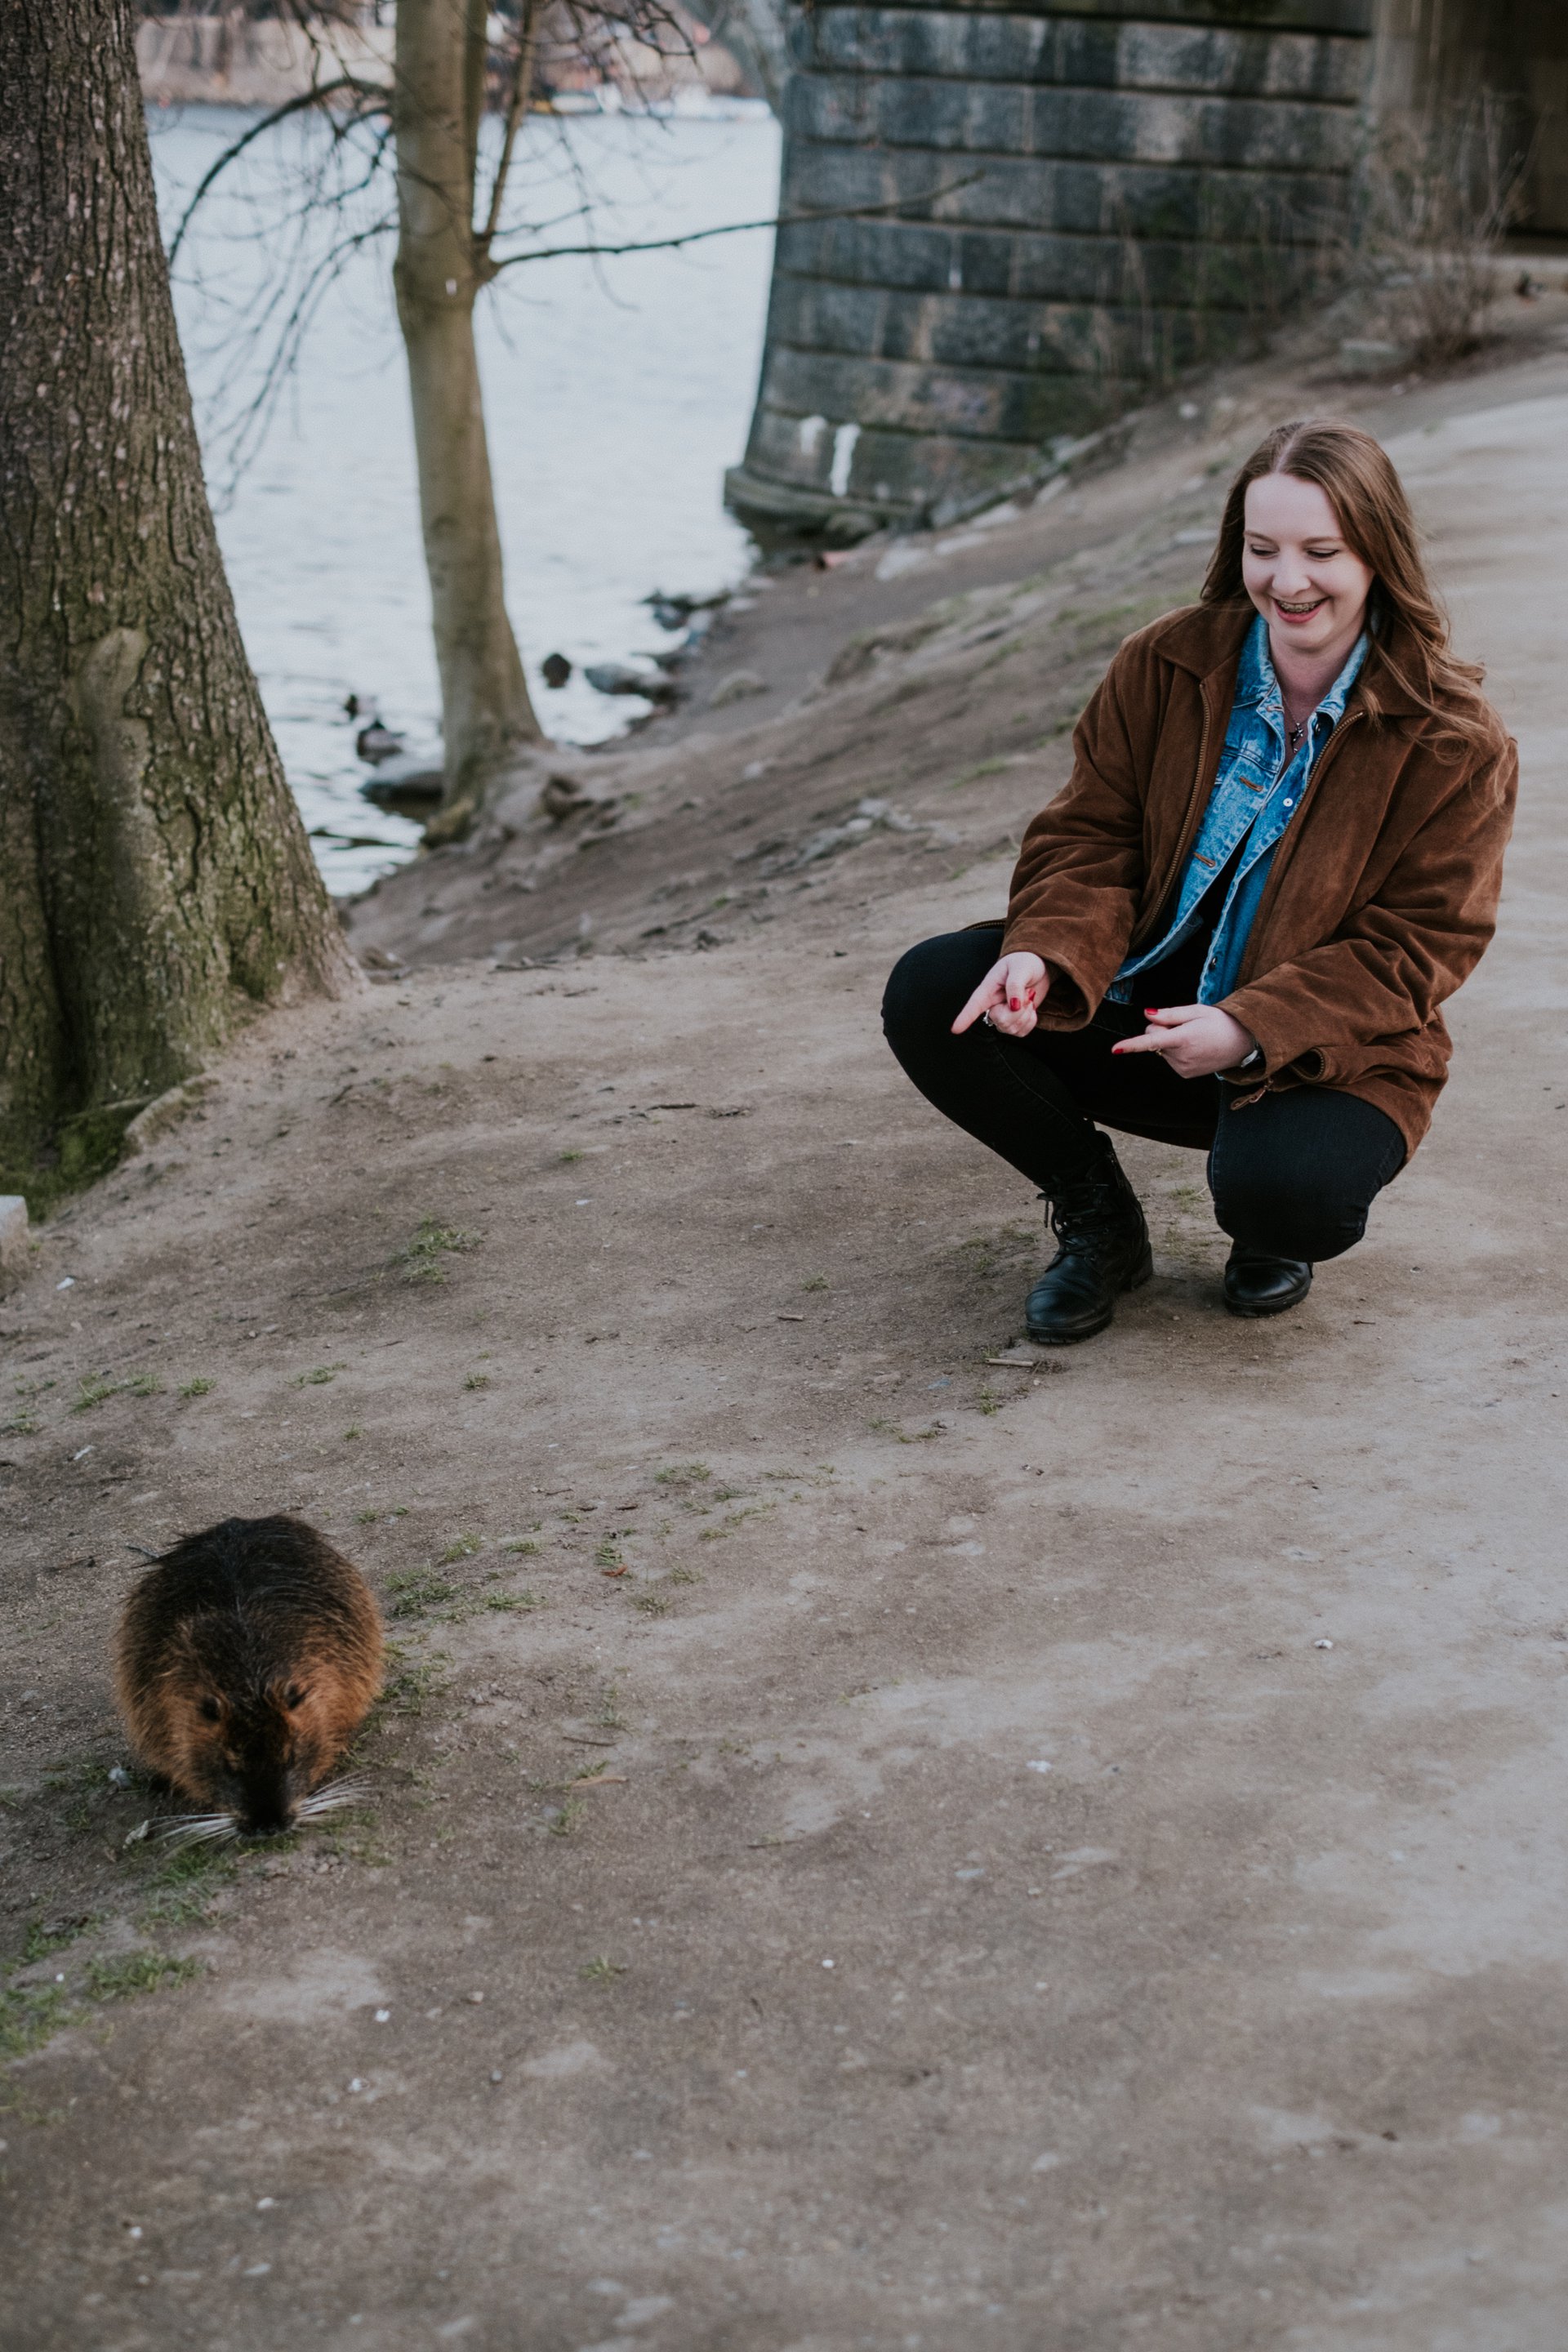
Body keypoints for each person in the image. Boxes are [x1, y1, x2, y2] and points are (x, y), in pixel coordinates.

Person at [882, 419, 1517, 1342]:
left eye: (1321, 552)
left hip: (1317, 1049)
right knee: (935, 992)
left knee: (1294, 1198)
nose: (1287, 581)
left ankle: (1268, 1224)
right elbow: (1089, 833)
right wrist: (1046, 954)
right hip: (1135, 1012)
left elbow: (1422, 944)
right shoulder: (1164, 661)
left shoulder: (1454, 736)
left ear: (1377, 551)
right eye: (1263, 549)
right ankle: (1100, 1220)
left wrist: (1251, 1028)